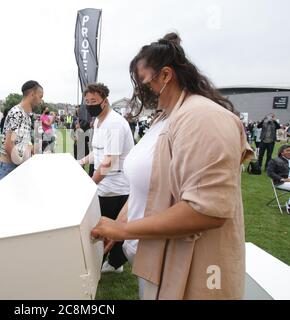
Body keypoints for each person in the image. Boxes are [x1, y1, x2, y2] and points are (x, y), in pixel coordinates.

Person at [91, 32, 253, 299]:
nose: (139, 89)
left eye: (143, 80)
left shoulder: (203, 117)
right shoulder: (164, 119)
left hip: (190, 273)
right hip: (153, 263)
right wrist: (121, 224)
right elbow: (150, 186)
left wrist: (124, 229)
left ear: (166, 75)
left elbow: (206, 210)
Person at [78, 83, 134, 274]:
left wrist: (90, 182)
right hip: (104, 185)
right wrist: (81, 161)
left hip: (116, 187)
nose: (90, 105)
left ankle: (114, 263)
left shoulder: (115, 124)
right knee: (101, 227)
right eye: (87, 101)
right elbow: (98, 152)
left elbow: (109, 161)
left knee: (109, 228)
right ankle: (107, 261)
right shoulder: (97, 121)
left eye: (94, 101)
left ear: (105, 101)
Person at [0, 81, 43, 184]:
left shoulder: (27, 116)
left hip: (16, 168)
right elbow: (8, 145)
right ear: (32, 95)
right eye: (40, 96)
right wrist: (23, 165)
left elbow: (22, 144)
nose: (41, 101)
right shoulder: (17, 112)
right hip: (7, 170)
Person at [267, 144, 290, 213]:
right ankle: (289, 205)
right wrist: (282, 179)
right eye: (288, 150)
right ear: (282, 152)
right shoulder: (274, 160)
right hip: (281, 182)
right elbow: (270, 173)